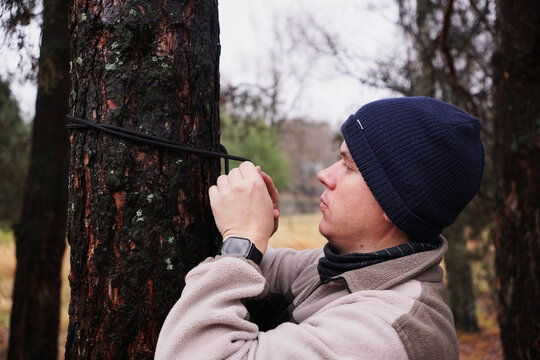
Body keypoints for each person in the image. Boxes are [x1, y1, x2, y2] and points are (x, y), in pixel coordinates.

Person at [155, 97, 484, 360]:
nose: (325, 175)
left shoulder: (386, 332)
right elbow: (248, 269)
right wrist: (249, 226)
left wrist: (242, 241)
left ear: (394, 204)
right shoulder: (342, 269)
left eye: (349, 166)